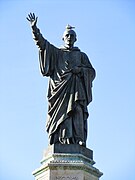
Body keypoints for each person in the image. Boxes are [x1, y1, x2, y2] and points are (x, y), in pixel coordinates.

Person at [27, 13, 96, 147]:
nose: (69, 38)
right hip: (60, 92)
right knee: (62, 117)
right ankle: (62, 140)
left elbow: (91, 72)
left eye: (72, 36)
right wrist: (34, 29)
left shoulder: (81, 56)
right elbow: (42, 44)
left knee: (77, 111)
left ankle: (78, 139)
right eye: (67, 35)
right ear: (63, 38)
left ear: (76, 38)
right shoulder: (57, 53)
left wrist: (81, 70)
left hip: (77, 90)